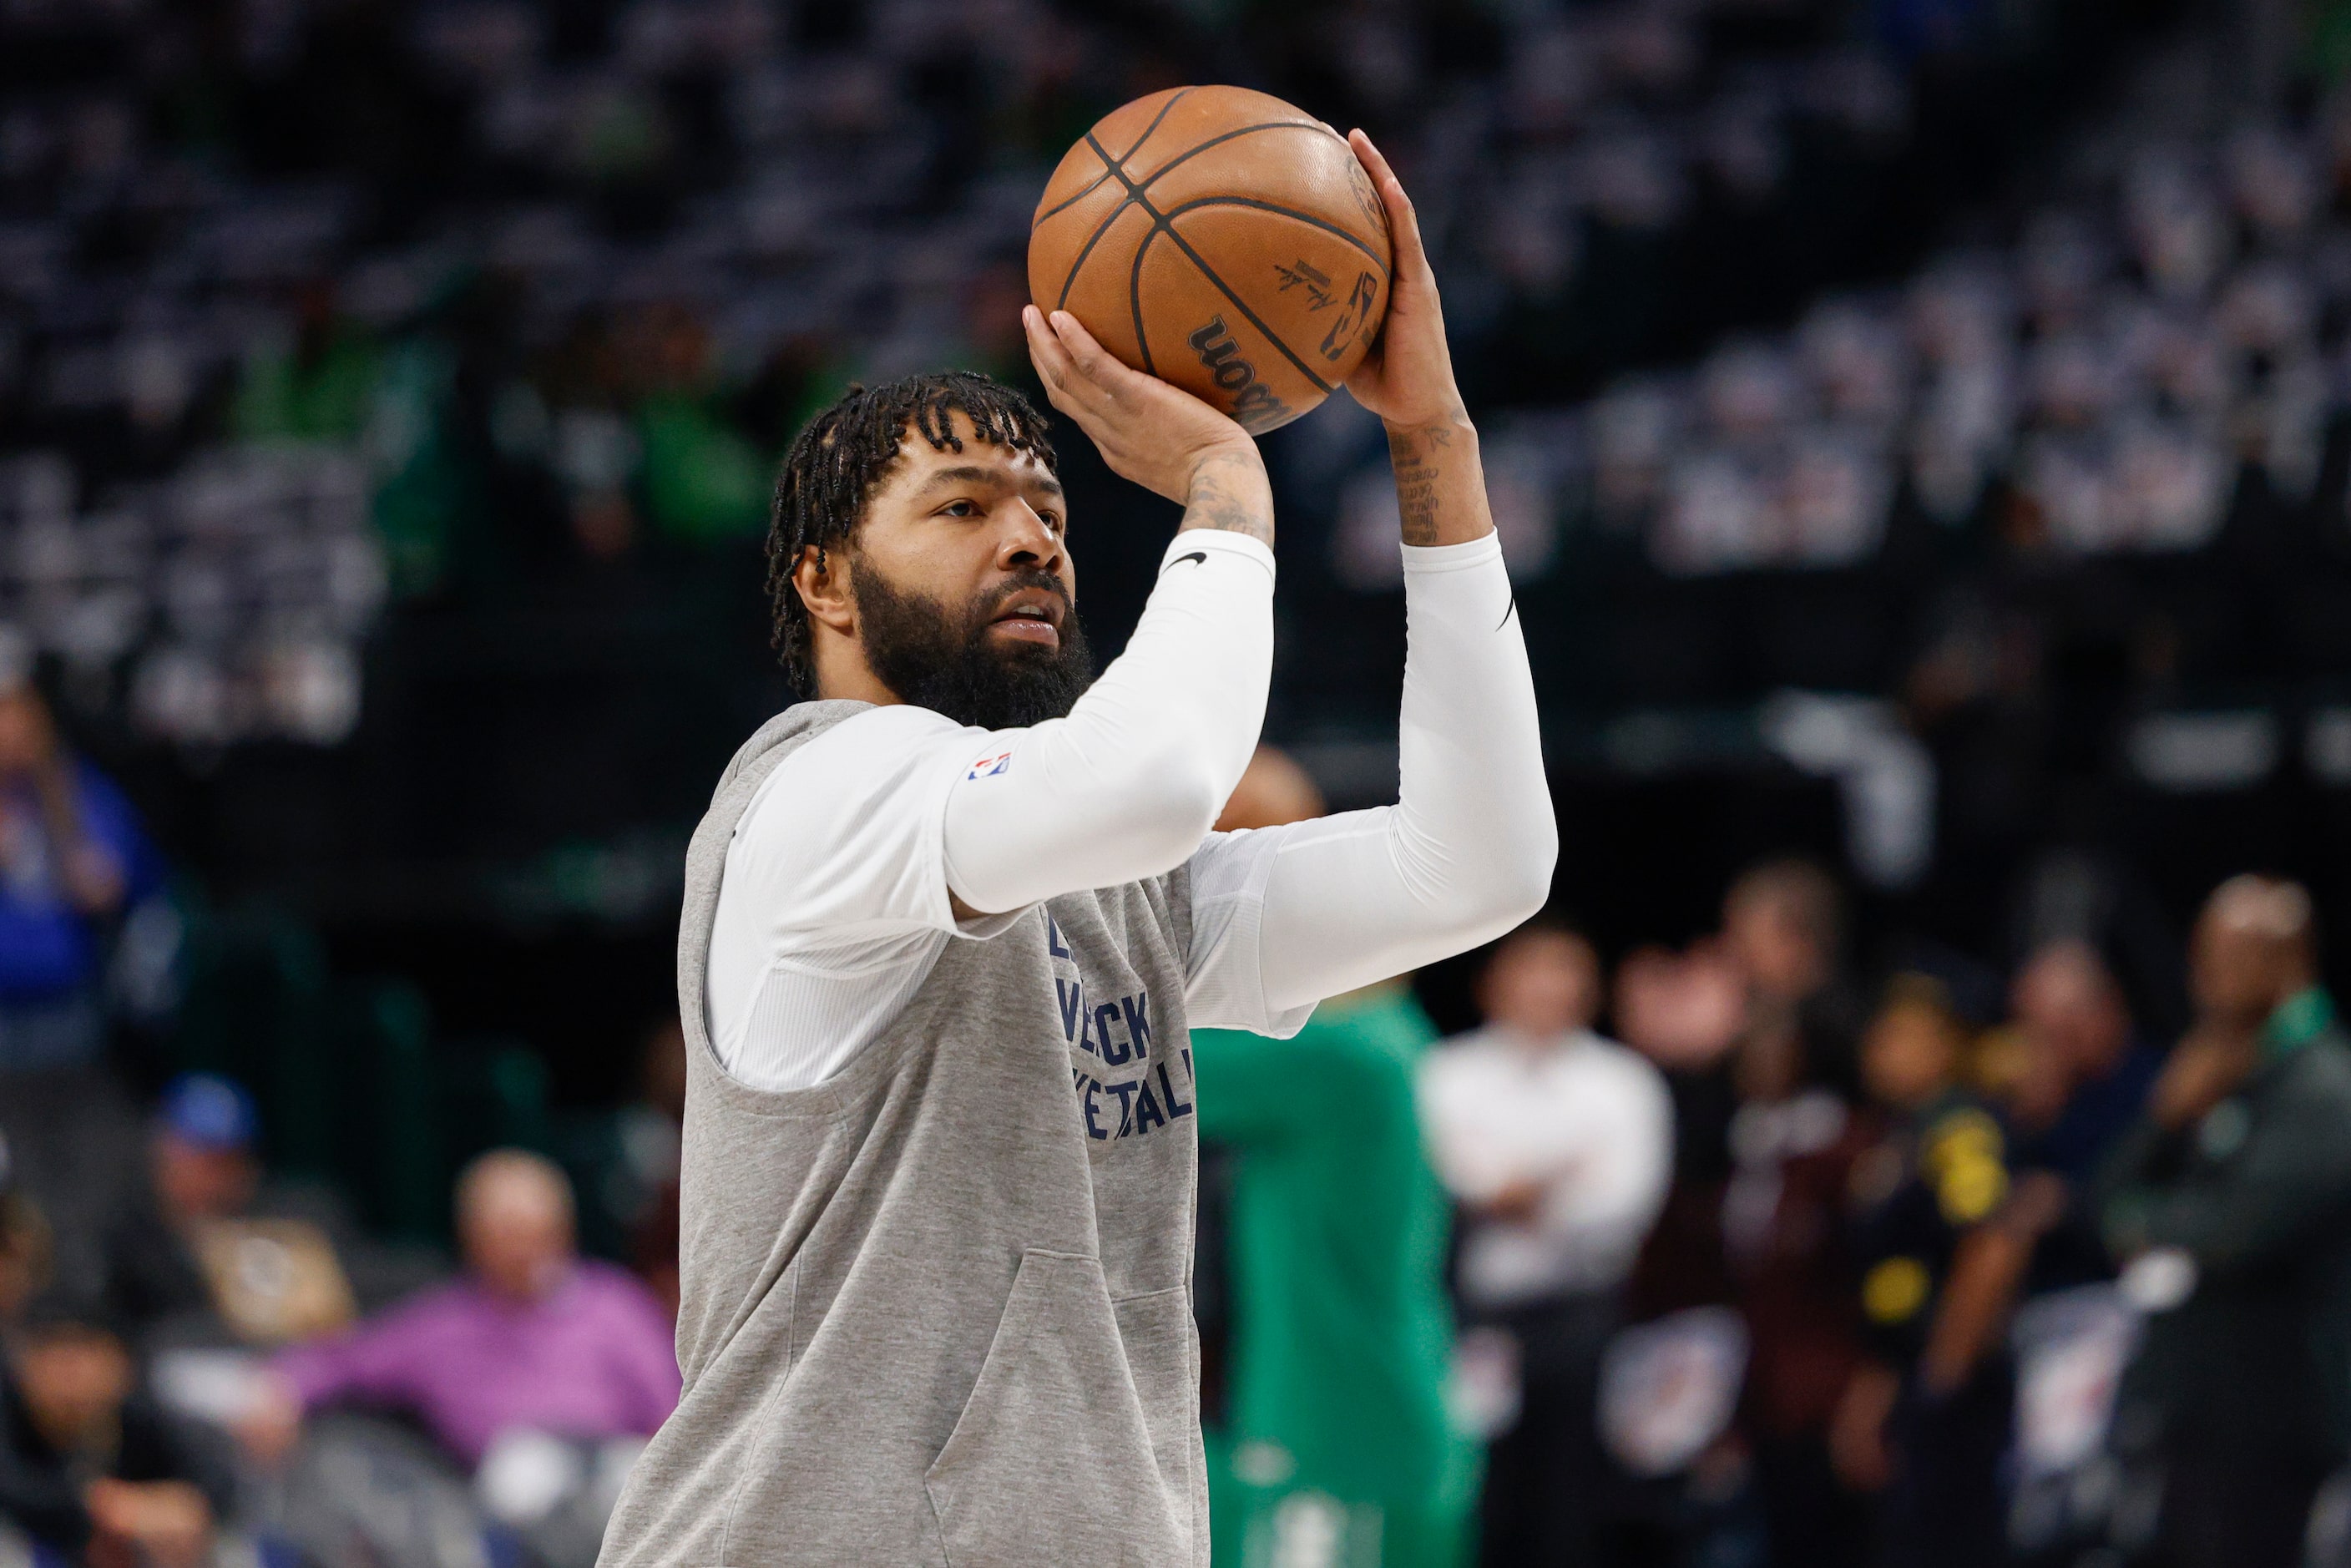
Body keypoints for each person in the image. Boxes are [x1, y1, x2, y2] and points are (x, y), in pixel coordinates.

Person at [597, 131, 1555, 1565]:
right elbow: (1167, 770)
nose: (1033, 536)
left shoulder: (1116, 890)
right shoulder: (812, 797)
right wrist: (1227, 485)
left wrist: (1433, 447)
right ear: (822, 579)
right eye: (963, 508)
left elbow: (1478, 865)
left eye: (1048, 506)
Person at [1191, 748, 1477, 1568]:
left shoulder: (1336, 1054)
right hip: (1338, 1412)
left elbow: (1104, 1059)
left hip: (1343, 1429)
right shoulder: (1370, 1033)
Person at [2098, 875, 2351, 1568]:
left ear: (2287, 961)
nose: (2203, 977)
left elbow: (2235, 1230)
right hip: (2200, 1414)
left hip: (2281, 1422)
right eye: (2200, 955)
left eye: (2226, 955)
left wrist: (2151, 1226)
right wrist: (2161, 1118)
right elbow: (2106, 1202)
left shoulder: (2324, 1087)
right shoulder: (2216, 1070)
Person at [1420, 923, 1673, 1568]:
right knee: (1472, 1496)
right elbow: (1442, 1175)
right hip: (1469, 1317)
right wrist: (1537, 1180)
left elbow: (1624, 1202)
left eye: (1566, 974)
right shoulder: (1443, 1073)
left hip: (1579, 1315)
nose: (1548, 990)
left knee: (1567, 1501)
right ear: (1491, 983)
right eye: (1532, 971)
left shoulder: (1623, 1083)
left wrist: (1520, 1194)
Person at [240, 1150, 679, 1472]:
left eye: (538, 1233)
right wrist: (283, 1388)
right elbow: (346, 1359)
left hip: (616, 1479)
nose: (525, 1251)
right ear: (474, 1240)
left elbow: (671, 1414)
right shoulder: (444, 1322)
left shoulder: (615, 1303)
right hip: (506, 1505)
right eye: (508, 1235)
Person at [1834, 974, 2020, 1568]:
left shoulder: (1959, 1126)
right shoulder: (1899, 1131)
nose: (1884, 1053)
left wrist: (1945, 1370)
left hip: (1954, 1383)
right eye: (1881, 1038)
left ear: (1947, 1046)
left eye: (1904, 1038)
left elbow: (1991, 1240)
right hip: (1905, 1365)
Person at [100, 1072, 358, 1349]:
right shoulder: (125, 1234)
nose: (211, 1176)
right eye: (196, 1159)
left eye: (227, 1160)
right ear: (162, 1154)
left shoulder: (297, 1218)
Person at [0, 1291, 229, 1568]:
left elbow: (215, 1479)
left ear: (120, 1362)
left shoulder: (139, 1417)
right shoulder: (11, 1420)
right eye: (52, 1356)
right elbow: (17, 1492)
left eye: (82, 1356)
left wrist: (174, 1507)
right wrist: (107, 1507)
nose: (69, 1377)